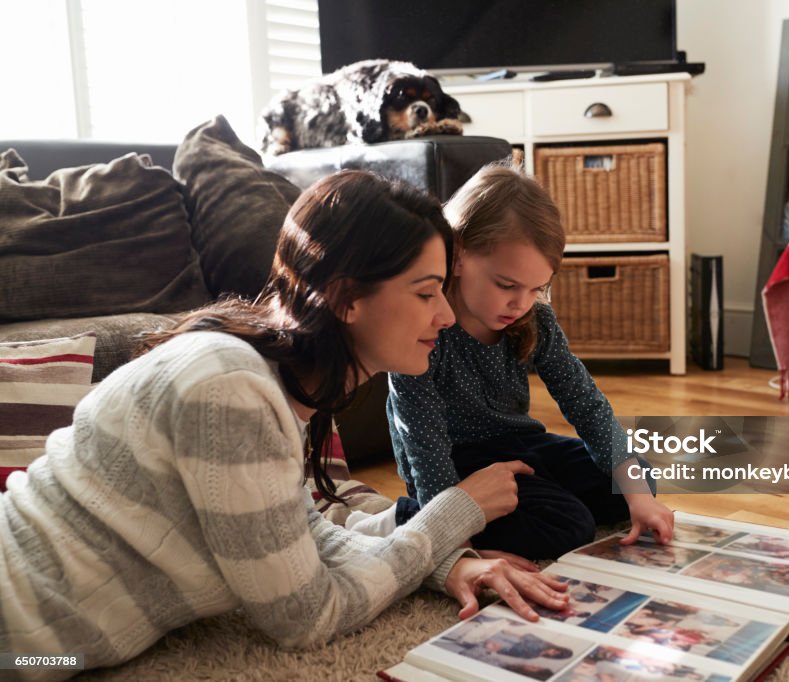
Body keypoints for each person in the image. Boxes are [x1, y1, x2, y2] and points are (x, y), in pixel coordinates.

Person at [0, 170, 568, 679]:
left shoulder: (263, 383)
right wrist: (453, 514)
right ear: (347, 298)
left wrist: (442, 563)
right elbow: (305, 616)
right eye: (426, 294)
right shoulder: (230, 392)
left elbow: (304, 537)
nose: (446, 315)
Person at [384, 165, 674, 560]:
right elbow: (423, 443)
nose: (520, 303)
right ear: (458, 255)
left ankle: (548, 501)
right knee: (569, 526)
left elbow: (586, 405)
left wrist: (638, 497)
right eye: (506, 285)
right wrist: (451, 535)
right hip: (455, 463)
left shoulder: (533, 320)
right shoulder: (423, 329)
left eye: (536, 288)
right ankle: (409, 517)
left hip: (521, 444)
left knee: (635, 477)